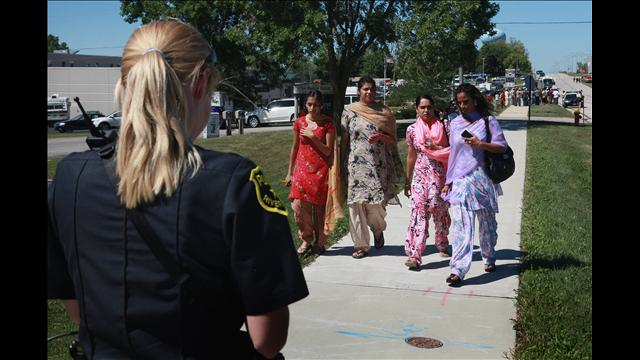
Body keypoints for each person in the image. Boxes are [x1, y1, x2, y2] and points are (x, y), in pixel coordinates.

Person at [47, 19, 308, 359]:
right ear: (201, 84)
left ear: (125, 83)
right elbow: (267, 339)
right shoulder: (234, 183)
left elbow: (77, 307)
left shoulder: (69, 178)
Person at [441, 83, 509, 286]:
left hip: (482, 179)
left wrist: (481, 144)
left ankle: (488, 255)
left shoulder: (488, 121)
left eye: (466, 102)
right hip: (461, 181)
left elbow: (501, 146)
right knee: (461, 225)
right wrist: (449, 181)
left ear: (475, 100)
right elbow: (453, 154)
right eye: (459, 103)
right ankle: (458, 269)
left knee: (487, 224)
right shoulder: (455, 124)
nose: (462, 106)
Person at [339, 75, 404, 259]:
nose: (369, 92)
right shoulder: (349, 112)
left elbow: (393, 141)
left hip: (377, 166)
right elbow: (344, 140)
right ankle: (361, 245)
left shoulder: (384, 113)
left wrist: (381, 137)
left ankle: (377, 229)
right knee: (355, 207)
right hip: (354, 167)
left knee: (376, 207)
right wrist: (341, 163)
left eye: (372, 89)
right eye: (365, 89)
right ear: (359, 91)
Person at [284, 90, 335, 256]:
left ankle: (319, 243)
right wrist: (290, 172)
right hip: (301, 171)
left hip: (320, 172)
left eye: (316, 105)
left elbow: (328, 151)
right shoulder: (299, 123)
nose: (312, 108)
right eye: (309, 104)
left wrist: (313, 136)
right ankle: (306, 239)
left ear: (321, 106)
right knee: (298, 208)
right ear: (305, 104)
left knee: (319, 211)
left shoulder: (328, 124)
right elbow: (294, 148)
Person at [403, 95, 451, 270]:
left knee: (439, 211)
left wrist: (437, 149)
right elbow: (411, 155)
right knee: (419, 213)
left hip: (440, 176)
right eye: (422, 107)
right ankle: (415, 255)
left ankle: (442, 241)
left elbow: (452, 151)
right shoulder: (412, 130)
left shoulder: (444, 127)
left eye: (429, 107)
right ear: (416, 109)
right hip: (420, 177)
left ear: (433, 108)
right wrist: (407, 180)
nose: (426, 110)